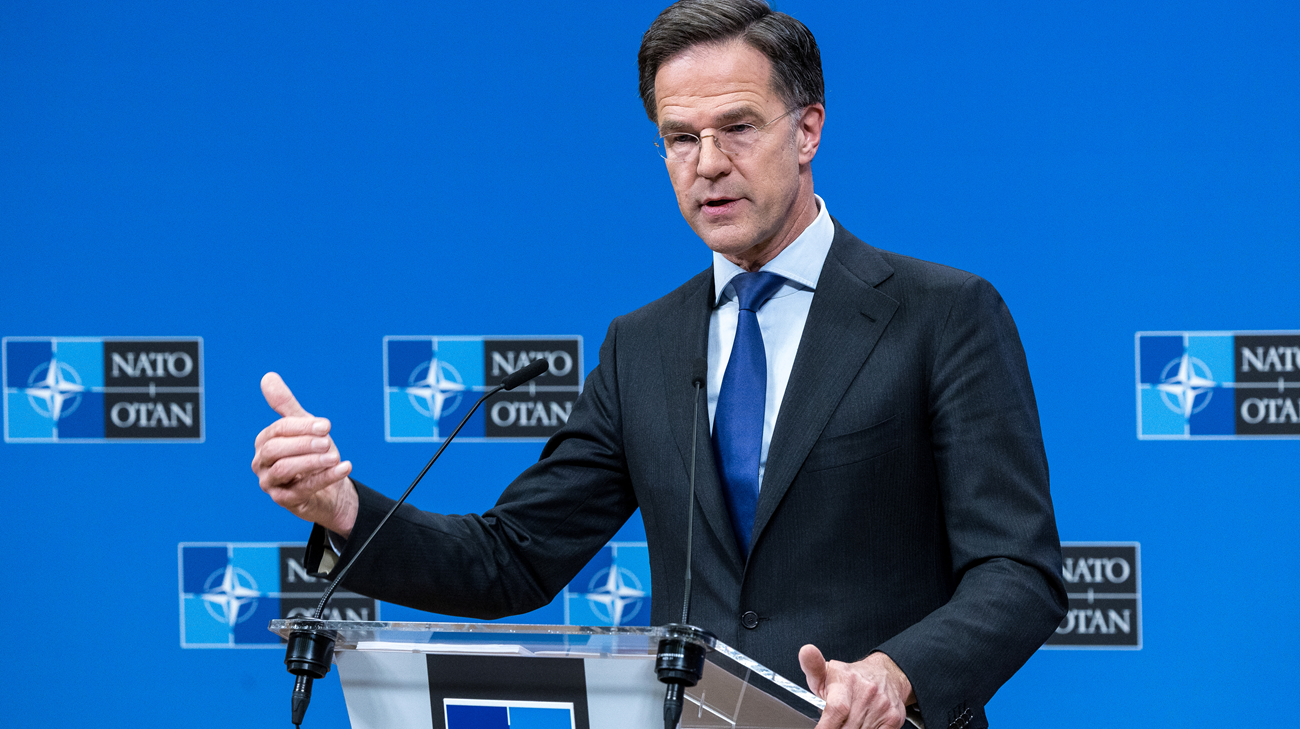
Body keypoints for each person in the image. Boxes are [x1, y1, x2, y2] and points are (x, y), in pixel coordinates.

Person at [251, 2, 1066, 728]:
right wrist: (344, 508)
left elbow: (1018, 571)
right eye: (681, 138)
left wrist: (896, 673)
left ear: (807, 130)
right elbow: (513, 558)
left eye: (737, 127)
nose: (707, 163)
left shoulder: (942, 313)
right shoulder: (641, 345)